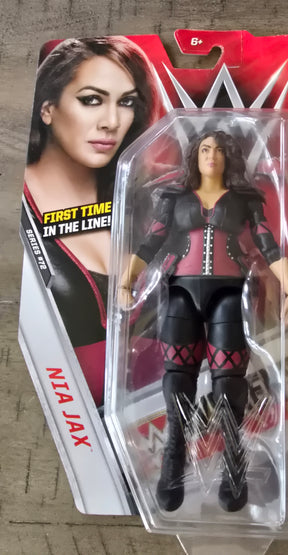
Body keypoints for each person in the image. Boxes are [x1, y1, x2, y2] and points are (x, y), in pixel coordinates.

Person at [119, 130, 288, 513]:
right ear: (194, 156)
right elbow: (152, 241)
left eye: (218, 149)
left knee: (229, 384)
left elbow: (267, 243)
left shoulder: (245, 199)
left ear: (228, 156)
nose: (211, 155)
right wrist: (126, 281)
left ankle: (234, 470)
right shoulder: (174, 198)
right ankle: (173, 459)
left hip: (229, 294)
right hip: (180, 291)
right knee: (177, 379)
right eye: (204, 149)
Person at [24, 36, 160, 408]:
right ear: (47, 108)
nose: (112, 122)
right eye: (91, 100)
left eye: (126, 102)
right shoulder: (17, 212)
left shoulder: (147, 203)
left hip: (167, 414)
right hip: (57, 420)